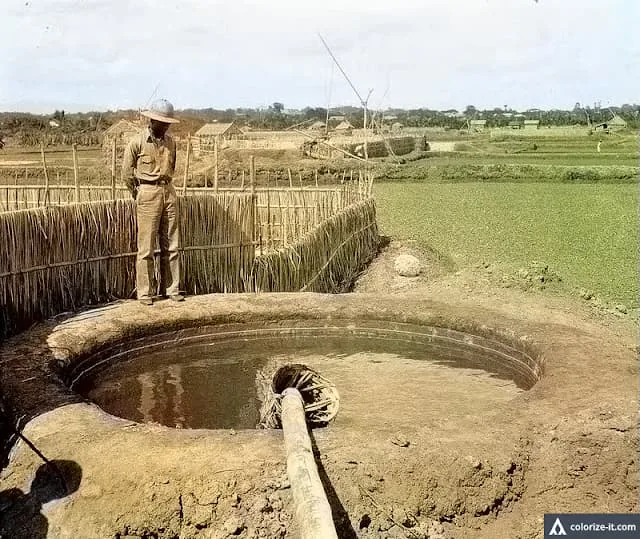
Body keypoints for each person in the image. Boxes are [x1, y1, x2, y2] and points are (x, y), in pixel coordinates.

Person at [122, 99, 184, 305]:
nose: (165, 126)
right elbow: (126, 174)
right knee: (146, 248)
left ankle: (172, 289)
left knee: (172, 245)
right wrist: (140, 193)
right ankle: (145, 293)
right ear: (152, 120)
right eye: (161, 122)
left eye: (167, 123)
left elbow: (172, 167)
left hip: (169, 192)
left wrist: (166, 188)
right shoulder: (137, 143)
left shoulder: (171, 143)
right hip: (148, 193)